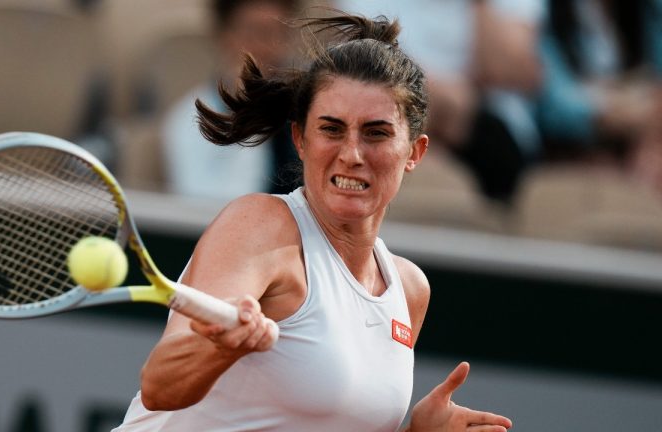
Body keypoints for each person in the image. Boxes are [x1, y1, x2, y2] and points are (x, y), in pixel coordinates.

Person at [113, 13, 513, 432]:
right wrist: (220, 347)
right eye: (332, 129)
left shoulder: (409, 290)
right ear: (301, 140)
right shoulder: (260, 227)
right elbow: (160, 387)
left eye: (376, 133)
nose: (352, 154)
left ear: (415, 152)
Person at [336, 0, 545, 204]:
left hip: (489, 130)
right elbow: (360, 68)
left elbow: (511, 71)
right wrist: (438, 94)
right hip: (399, 116)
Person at [161, 0, 301, 200]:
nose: (269, 48)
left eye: (280, 34)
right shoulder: (189, 119)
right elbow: (208, 207)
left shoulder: (304, 110)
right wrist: (249, 114)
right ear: (224, 36)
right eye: (257, 33)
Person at [536, 0, 662, 195]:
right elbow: (552, 102)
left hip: (633, 149)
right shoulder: (545, 10)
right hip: (566, 156)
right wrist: (622, 111)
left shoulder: (647, 10)